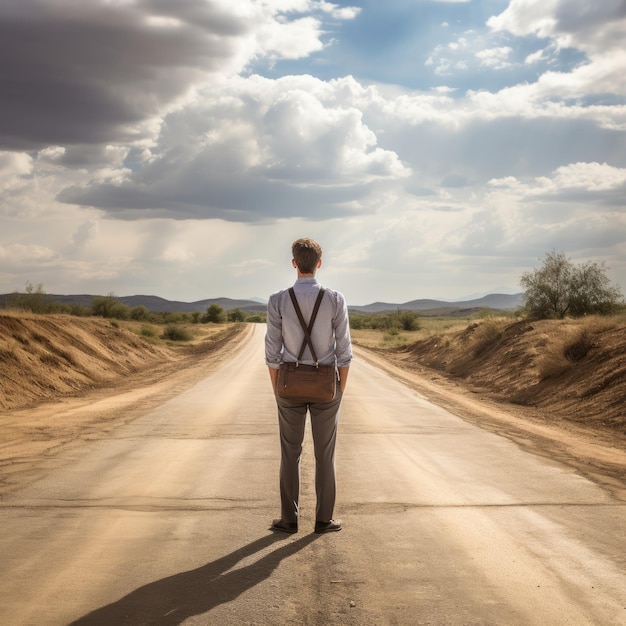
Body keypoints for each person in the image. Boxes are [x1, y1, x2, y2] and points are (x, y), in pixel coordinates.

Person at [265, 238, 352, 534]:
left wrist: (277, 388)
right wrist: (340, 389)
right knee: (324, 454)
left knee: (290, 452)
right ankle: (323, 520)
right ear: (318, 263)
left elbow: (272, 351)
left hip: (288, 385)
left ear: (293, 263)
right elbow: (344, 350)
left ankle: (289, 520)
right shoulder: (335, 299)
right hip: (326, 385)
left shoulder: (278, 299)